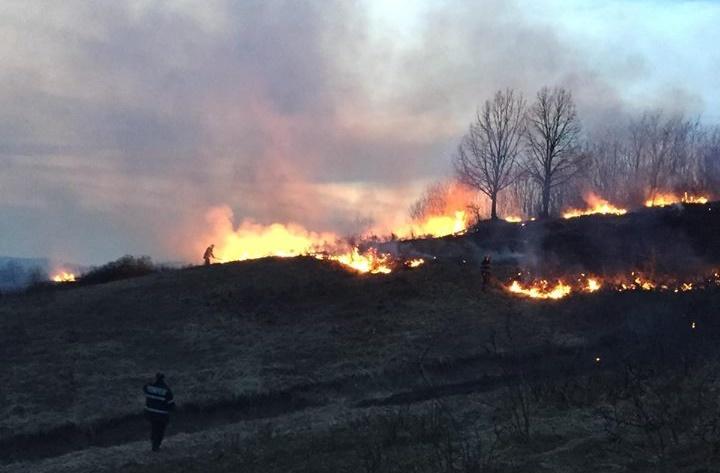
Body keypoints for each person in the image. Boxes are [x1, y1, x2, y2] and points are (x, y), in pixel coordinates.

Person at [143, 373, 175, 451]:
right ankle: (156, 446)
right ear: (163, 379)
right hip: (162, 415)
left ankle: (153, 443)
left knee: (154, 428)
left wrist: (149, 382)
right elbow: (171, 405)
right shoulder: (166, 390)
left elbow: (144, 388)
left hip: (150, 413)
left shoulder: (149, 388)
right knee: (160, 430)